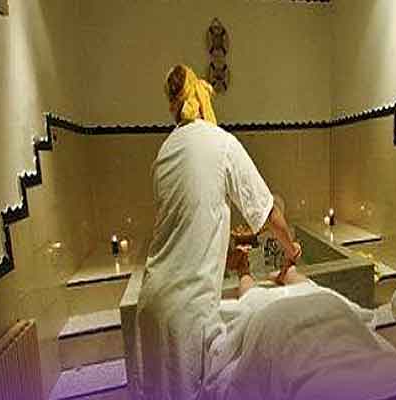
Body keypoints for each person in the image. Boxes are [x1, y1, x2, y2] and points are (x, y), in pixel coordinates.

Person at [136, 65, 301, 400]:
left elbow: (185, 227)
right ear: (203, 100)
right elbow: (268, 212)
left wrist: (225, 258)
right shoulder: (221, 143)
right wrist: (291, 248)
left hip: (152, 305)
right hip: (187, 315)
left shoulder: (165, 151)